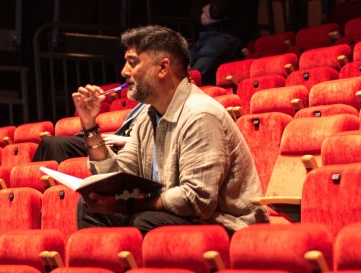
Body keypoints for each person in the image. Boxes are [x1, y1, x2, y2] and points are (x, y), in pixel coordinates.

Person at [73, 24, 268, 235]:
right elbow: (116, 177)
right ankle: (108, 267)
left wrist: (123, 206)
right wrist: (90, 125)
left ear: (163, 68)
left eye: (133, 63)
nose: (124, 72)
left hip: (226, 226)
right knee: (90, 207)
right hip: (176, 218)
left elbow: (196, 201)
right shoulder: (148, 117)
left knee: (145, 221)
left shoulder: (201, 115)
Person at [33, 102, 146, 162]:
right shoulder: (144, 105)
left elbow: (158, 142)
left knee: (56, 143)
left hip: (126, 147)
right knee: (47, 142)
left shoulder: (159, 107)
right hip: (117, 141)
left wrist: (125, 140)